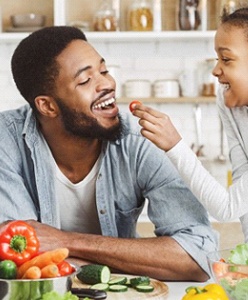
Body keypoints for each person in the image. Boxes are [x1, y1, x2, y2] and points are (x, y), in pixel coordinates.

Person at [0, 26, 218, 282]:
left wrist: (65, 241)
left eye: (103, 71)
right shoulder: (7, 139)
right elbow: (18, 259)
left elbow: (199, 257)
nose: (107, 84)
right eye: (85, 80)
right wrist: (132, 260)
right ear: (47, 105)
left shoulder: (141, 140)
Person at [132, 4, 248, 249]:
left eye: (227, 59)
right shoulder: (232, 103)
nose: (216, 70)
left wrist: (175, 146)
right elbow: (246, 192)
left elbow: (228, 207)